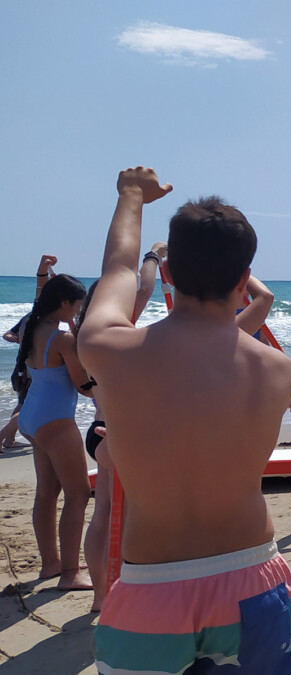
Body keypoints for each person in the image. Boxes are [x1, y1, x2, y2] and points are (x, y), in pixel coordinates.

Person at [79, 167, 291, 673]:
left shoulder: (111, 349)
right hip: (252, 576)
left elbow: (118, 271)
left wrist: (132, 196)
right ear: (244, 282)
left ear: (169, 276)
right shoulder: (279, 370)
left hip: (153, 587)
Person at [82, 241, 166, 612]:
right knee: (125, 514)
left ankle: (102, 595)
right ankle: (115, 592)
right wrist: (152, 255)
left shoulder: (86, 334)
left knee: (102, 512)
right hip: (117, 433)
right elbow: (143, 288)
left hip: (99, 429)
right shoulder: (113, 333)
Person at [16, 273, 94, 592]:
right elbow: (84, 386)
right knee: (78, 493)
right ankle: (70, 573)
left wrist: (42, 275)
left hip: (32, 417)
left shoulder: (29, 327)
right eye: (76, 307)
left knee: (47, 493)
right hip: (56, 421)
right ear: (63, 303)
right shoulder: (62, 339)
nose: (76, 313)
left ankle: (51, 564)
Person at [1, 254, 59, 449]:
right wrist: (43, 270)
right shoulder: (38, 319)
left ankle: (8, 440)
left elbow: (41, 291)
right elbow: (40, 290)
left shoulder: (35, 319)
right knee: (26, 407)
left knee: (23, 405)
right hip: (30, 370)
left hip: (25, 367)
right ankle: (2, 437)